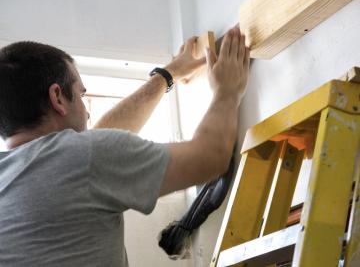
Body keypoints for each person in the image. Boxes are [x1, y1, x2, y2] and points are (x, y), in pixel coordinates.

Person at [0, 27, 249, 266]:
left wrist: (168, 74)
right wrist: (227, 90)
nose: (87, 114)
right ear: (57, 98)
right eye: (81, 94)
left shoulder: (16, 173)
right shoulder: (82, 158)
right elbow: (210, 157)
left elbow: (96, 142)